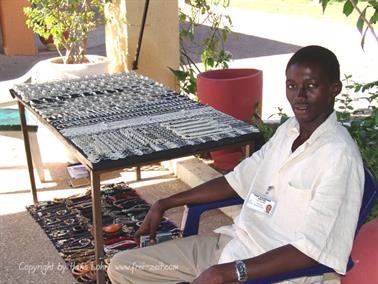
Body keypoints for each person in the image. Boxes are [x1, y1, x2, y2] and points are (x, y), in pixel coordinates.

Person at [107, 45, 364, 284]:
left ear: (334, 88)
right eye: (292, 85)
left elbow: (312, 251)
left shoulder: (339, 157)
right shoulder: (289, 131)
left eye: (312, 86)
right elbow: (235, 181)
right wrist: (165, 202)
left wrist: (227, 272)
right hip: (231, 244)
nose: (299, 96)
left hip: (269, 272)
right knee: (121, 267)